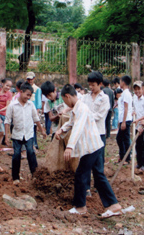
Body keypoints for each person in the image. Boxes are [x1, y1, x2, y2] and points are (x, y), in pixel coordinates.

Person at [54, 84, 122, 217]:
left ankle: (80, 207)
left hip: (90, 147)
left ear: (67, 96)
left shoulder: (82, 108)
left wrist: (69, 146)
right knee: (98, 175)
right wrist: (62, 130)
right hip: (94, 145)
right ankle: (114, 205)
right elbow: (73, 122)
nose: (65, 103)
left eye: (64, 100)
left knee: (80, 174)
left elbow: (78, 127)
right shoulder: (78, 108)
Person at [5, 82, 46, 184]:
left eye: (30, 95)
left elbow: (36, 119)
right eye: (27, 95)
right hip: (17, 134)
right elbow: (7, 121)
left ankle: (35, 174)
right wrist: (7, 136)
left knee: (30, 152)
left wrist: (42, 130)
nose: (28, 97)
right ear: (21, 92)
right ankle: (15, 177)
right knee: (17, 154)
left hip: (29, 133)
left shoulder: (30, 104)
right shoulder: (12, 105)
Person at [116, 75, 133, 165]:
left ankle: (127, 158)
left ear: (123, 82)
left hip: (126, 120)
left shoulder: (126, 93)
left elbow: (126, 108)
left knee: (124, 139)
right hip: (123, 119)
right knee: (121, 138)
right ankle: (123, 157)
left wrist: (123, 122)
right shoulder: (124, 93)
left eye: (120, 81)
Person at [133, 81, 144, 171]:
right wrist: (133, 113)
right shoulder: (135, 99)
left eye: (139, 89)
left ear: (142, 89)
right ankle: (139, 163)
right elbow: (135, 110)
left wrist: (139, 120)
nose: (137, 91)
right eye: (135, 89)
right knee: (138, 145)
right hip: (137, 126)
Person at [26, 72, 42, 150]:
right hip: (26, 110)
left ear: (34, 79)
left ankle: (34, 143)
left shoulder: (37, 89)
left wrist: (37, 112)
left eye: (31, 79)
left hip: (34, 110)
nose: (30, 81)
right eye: (28, 79)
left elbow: (38, 101)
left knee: (34, 127)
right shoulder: (25, 88)